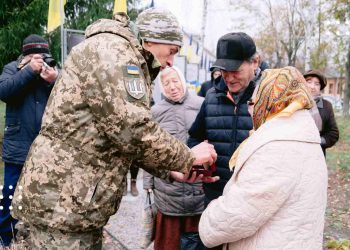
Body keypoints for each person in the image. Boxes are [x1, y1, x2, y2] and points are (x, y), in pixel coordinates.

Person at [10, 8, 217, 249]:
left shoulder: (120, 52)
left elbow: (121, 137)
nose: (171, 61)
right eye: (171, 51)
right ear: (151, 39)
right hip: (61, 203)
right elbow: (131, 128)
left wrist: (171, 170)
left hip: (72, 201)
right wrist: (187, 157)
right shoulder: (114, 52)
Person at [199, 66, 328, 249]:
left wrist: (209, 215)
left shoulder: (278, 146)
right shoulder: (301, 136)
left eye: (254, 103)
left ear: (272, 101)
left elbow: (236, 216)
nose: (250, 111)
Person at [188, 32, 260, 207]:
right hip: (215, 196)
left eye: (235, 71)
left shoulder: (268, 98)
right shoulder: (211, 96)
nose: (228, 78)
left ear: (255, 62)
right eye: (223, 71)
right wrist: (200, 170)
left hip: (253, 197)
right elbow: (194, 139)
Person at [0, 34, 58, 246]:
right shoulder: (12, 69)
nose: (40, 61)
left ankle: (36, 238)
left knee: (44, 197)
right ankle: (6, 238)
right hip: (17, 145)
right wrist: (28, 71)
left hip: (46, 147)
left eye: (43, 56)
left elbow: (68, 99)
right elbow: (4, 92)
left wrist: (54, 80)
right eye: (35, 57)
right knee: (11, 195)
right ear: (25, 56)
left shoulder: (52, 69)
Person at [143, 66, 205, 250]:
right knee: (170, 243)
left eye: (175, 81)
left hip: (198, 186)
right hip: (168, 189)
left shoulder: (201, 104)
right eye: (166, 83)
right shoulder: (155, 112)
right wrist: (148, 183)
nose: (172, 87)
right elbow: (148, 151)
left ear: (183, 81)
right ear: (161, 87)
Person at [304, 69, 339, 156]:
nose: (312, 86)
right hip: (294, 153)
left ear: (320, 88)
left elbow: (333, 133)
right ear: (303, 83)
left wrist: (318, 142)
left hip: (316, 155)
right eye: (309, 82)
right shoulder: (294, 103)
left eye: (317, 84)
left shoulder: (327, 106)